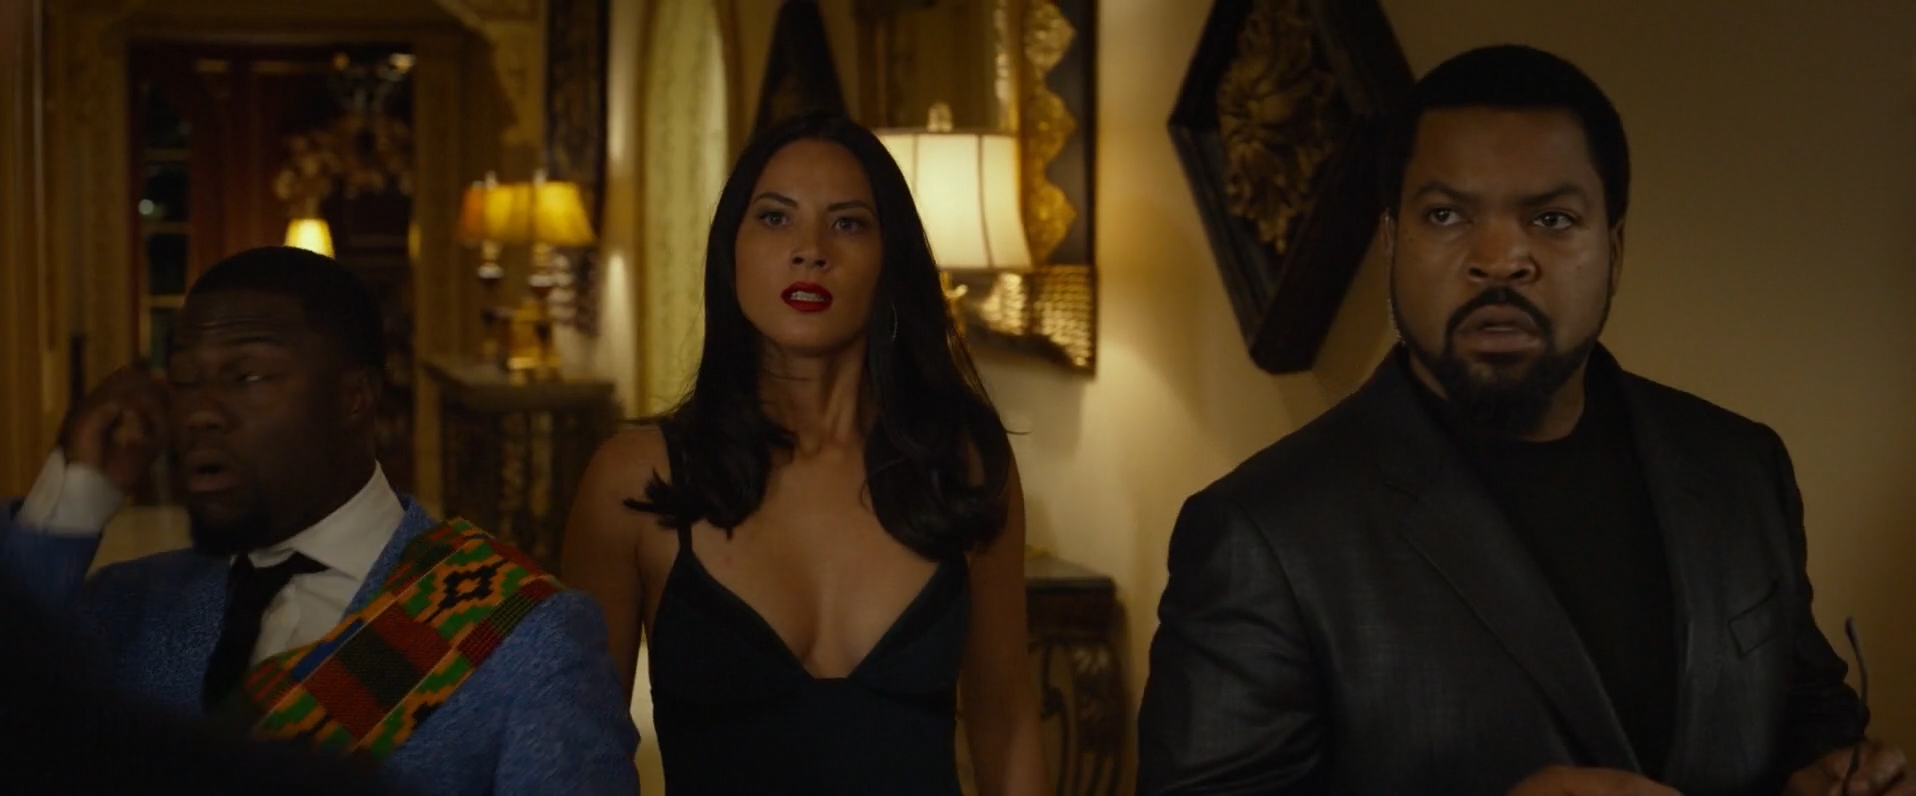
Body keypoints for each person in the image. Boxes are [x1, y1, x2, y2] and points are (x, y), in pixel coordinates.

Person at [1136, 44, 1907, 796]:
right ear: (1392, 243)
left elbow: (1808, 720)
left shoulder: (1740, 467)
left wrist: (1832, 771)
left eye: (1553, 219)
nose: (1501, 259)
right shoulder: (1261, 534)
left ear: (1614, 249)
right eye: (1446, 215)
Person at [0, 246, 640, 795]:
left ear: (354, 398)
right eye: (186, 381)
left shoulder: (525, 636)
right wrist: (72, 499)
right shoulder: (125, 607)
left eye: (247, 376)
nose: (200, 413)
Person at [564, 111, 1045, 794]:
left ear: (891, 260)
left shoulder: (963, 466)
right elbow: (577, 757)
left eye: (847, 223)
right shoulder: (634, 480)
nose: (810, 249)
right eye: (775, 218)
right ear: (730, 252)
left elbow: (1007, 721)